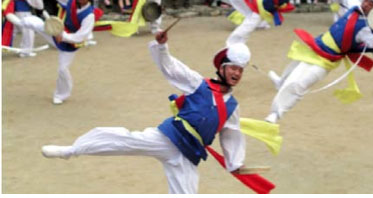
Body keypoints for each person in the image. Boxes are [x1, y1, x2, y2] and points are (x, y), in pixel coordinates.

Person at [40, 32, 255, 194]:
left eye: (240, 70)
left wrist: (236, 163)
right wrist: (162, 47)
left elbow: (232, 135)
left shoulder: (232, 107)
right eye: (233, 68)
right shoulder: (199, 84)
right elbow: (171, 67)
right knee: (123, 140)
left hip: (188, 157)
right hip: (167, 138)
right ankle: (73, 149)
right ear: (222, 68)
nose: (236, 73)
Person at [263, 0, 373, 123]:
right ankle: (280, 82)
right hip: (318, 44)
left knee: (299, 84)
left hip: (328, 59)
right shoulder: (354, 4)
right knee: (293, 66)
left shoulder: (368, 29)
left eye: (371, 4)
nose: (365, 4)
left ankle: (275, 113)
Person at [6, 0, 98, 104]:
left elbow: (80, 36)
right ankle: (20, 22)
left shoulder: (89, 15)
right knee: (38, 24)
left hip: (70, 43)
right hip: (57, 31)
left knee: (62, 69)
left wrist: (64, 37)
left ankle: (61, 94)